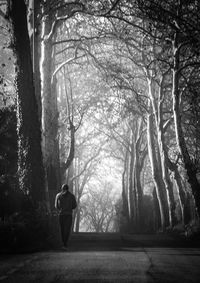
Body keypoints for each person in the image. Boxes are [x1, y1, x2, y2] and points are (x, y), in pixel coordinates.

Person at [55, 183, 77, 250]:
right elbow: (74, 206)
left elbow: (56, 206)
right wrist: (69, 208)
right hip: (69, 215)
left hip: (61, 214)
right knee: (67, 229)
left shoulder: (58, 195)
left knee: (62, 229)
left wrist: (60, 209)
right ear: (68, 189)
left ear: (62, 189)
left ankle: (63, 243)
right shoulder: (72, 196)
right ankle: (65, 244)